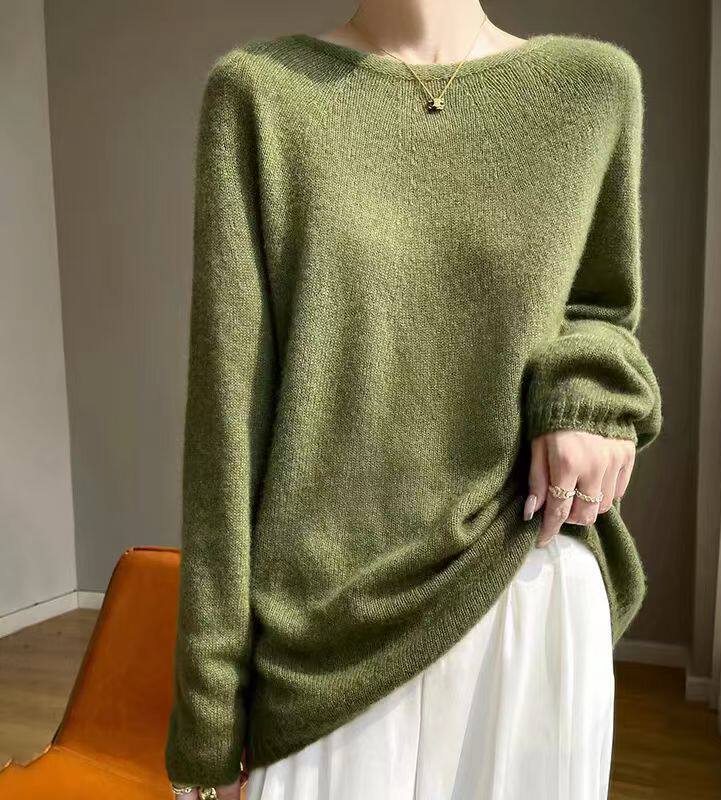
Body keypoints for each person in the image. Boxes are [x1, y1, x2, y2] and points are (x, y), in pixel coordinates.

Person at [164, 1, 663, 798]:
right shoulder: (260, 94)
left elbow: (601, 310)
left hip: (526, 588)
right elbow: (225, 423)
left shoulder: (593, 89)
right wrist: (210, 723)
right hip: (324, 638)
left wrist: (587, 400)